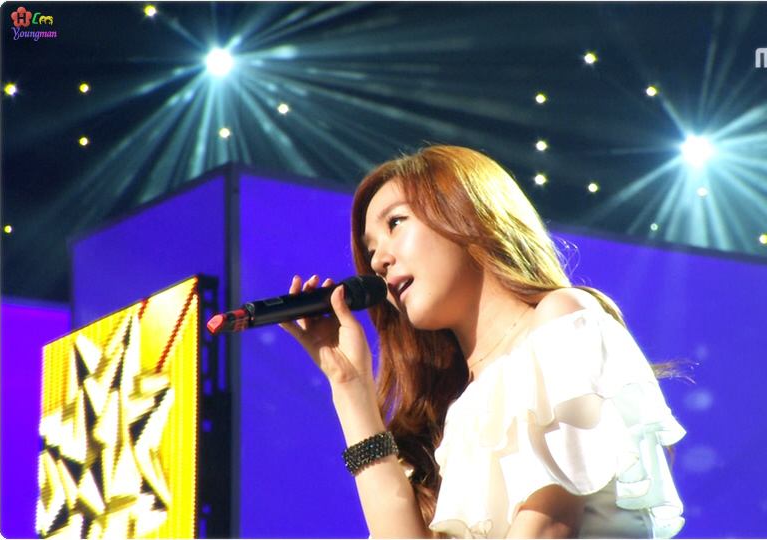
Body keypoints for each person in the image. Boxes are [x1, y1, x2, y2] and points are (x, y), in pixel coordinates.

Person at [280, 145, 686, 539]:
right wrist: (349, 386)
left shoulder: (561, 318)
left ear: (468, 213)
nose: (377, 261)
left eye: (396, 223)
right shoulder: (457, 411)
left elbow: (550, 526)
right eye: (370, 251)